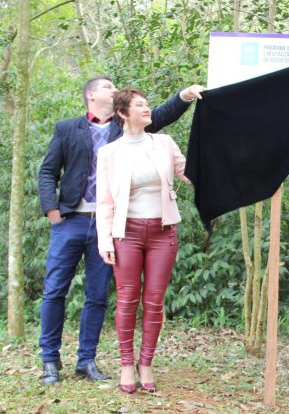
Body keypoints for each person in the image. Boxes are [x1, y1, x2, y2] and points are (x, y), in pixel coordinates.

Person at [37, 77, 204, 386]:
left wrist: (185, 95)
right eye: (107, 86)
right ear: (90, 94)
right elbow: (48, 170)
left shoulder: (124, 128)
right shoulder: (67, 128)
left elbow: (161, 114)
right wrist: (52, 210)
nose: (113, 89)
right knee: (55, 290)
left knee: (98, 295)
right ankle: (49, 358)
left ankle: (86, 360)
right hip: (73, 220)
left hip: (116, 224)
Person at [95, 88, 190, 394]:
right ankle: (126, 364)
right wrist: (105, 241)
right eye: (140, 105)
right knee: (127, 299)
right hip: (127, 233)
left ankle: (146, 362)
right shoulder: (109, 153)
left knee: (154, 300)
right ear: (123, 113)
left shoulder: (164, 143)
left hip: (163, 232)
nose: (147, 109)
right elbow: (104, 201)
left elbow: (190, 172)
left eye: (147, 104)